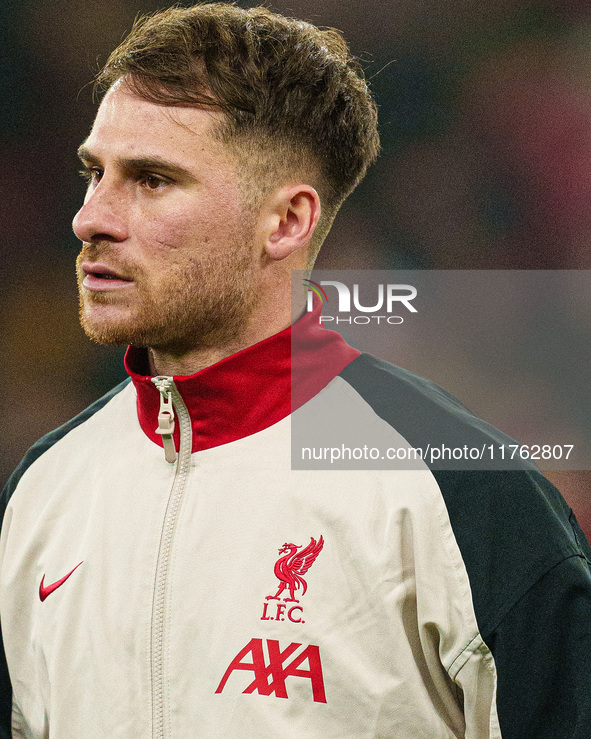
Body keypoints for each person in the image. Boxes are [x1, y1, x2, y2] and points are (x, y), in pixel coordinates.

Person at [1, 3, 590, 737]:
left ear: (285, 221)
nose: (91, 216)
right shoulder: (42, 490)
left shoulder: (466, 495)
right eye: (96, 172)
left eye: (151, 180)